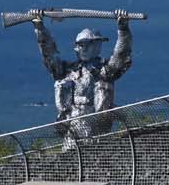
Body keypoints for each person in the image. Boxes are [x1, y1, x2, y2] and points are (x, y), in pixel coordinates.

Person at [31, 11, 136, 148]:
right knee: (70, 160)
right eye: (81, 44)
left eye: (88, 44)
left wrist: (123, 29)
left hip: (97, 127)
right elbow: (49, 55)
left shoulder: (104, 71)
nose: (83, 48)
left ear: (98, 45)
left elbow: (121, 54)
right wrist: (40, 28)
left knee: (96, 158)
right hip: (72, 126)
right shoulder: (68, 71)